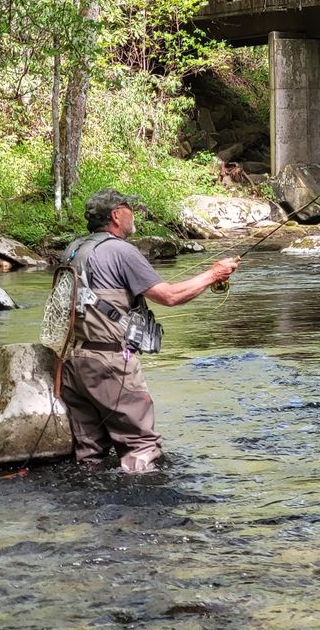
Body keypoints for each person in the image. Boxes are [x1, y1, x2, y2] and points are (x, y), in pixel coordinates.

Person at [60, 188, 240, 472]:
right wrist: (214, 274)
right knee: (141, 446)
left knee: (90, 452)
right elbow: (169, 296)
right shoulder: (121, 251)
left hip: (73, 363)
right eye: (129, 209)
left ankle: (86, 510)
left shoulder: (73, 249)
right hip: (110, 365)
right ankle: (143, 512)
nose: (134, 216)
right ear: (117, 215)